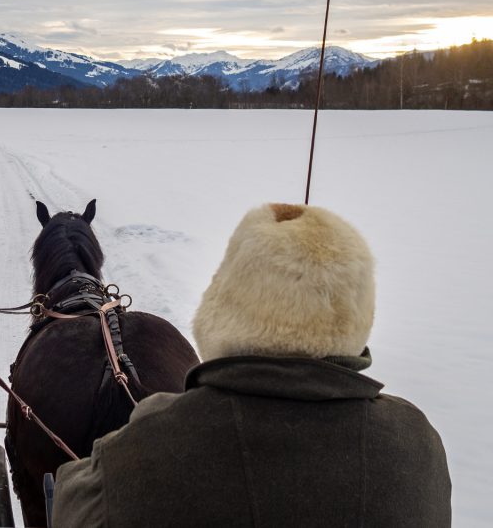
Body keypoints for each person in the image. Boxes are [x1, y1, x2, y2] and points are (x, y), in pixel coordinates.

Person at [52, 203, 451, 527]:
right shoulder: (418, 444)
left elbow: (69, 510)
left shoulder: (147, 445)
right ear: (358, 313)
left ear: (223, 303)